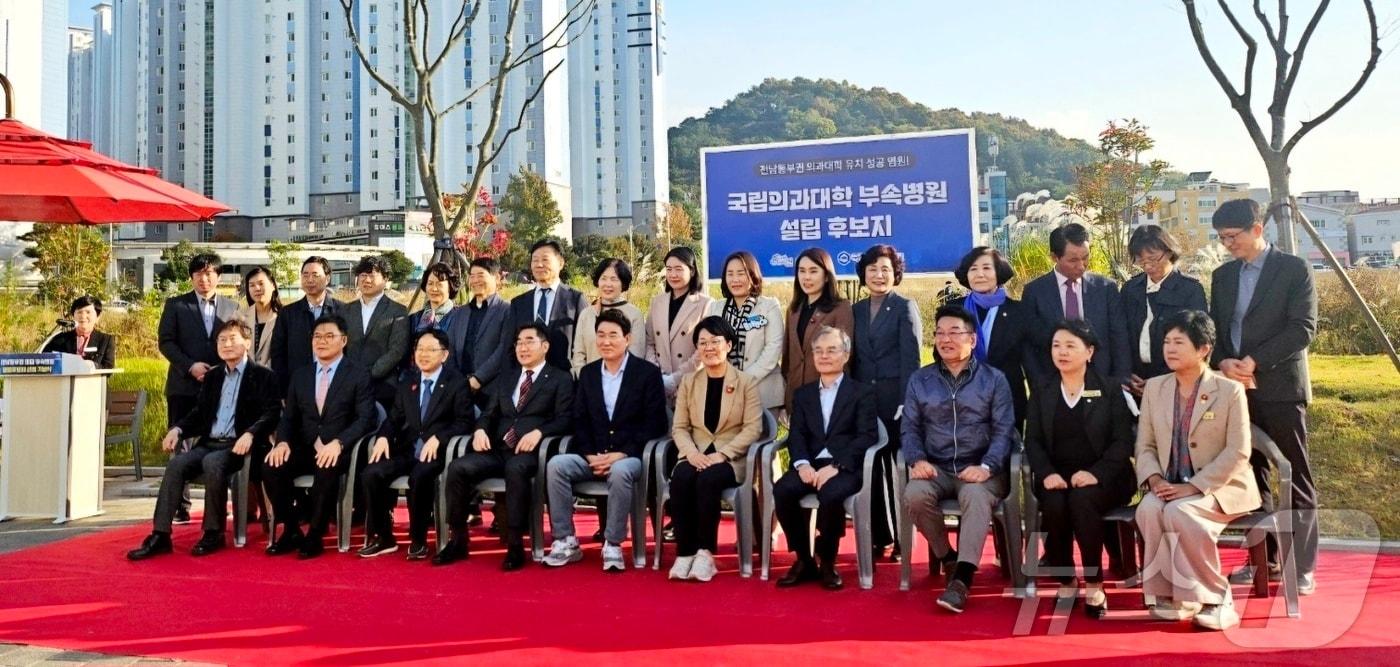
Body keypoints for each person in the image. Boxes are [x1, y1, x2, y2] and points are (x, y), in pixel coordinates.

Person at [1209, 199, 1318, 595]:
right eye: (1221, 238)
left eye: (1232, 237)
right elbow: (1217, 332)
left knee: (1295, 477)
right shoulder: (1222, 277)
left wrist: (1255, 361)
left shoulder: (1293, 269)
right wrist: (1223, 363)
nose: (1227, 245)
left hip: (1280, 390)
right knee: (1248, 476)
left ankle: (1300, 566)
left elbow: (1302, 328)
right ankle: (1263, 561)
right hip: (1235, 391)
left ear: (1257, 229)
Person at [1135, 309, 1260, 631]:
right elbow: (1144, 445)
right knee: (1149, 509)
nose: (1170, 349)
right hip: (1168, 483)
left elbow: (1239, 451)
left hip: (1222, 486)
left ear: (1204, 348)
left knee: (1182, 512)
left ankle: (1218, 598)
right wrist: (1155, 479)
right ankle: (1175, 595)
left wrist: (1195, 486)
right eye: (1166, 341)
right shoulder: (1154, 388)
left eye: (1179, 341)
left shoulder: (1229, 390)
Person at [127, 318, 281, 560]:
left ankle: (213, 532)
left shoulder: (263, 376)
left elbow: (272, 413)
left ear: (248, 343)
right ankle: (160, 534)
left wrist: (251, 433)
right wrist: (177, 430)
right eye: (222, 340)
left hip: (241, 447)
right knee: (177, 464)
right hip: (210, 443)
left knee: (213, 463)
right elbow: (199, 414)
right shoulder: (213, 376)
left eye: (233, 339)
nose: (226, 344)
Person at [902, 305, 1016, 613]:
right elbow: (909, 428)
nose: (945, 339)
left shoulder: (994, 380)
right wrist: (916, 459)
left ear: (973, 340)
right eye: (940, 332)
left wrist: (987, 466)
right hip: (937, 468)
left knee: (976, 496)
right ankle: (948, 558)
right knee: (913, 493)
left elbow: (1004, 431)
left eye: (955, 332)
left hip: (981, 468)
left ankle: (962, 579)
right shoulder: (919, 380)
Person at [437, 322, 574, 570]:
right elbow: (489, 414)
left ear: (545, 346)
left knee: (516, 469)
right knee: (458, 468)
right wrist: (479, 430)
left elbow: (565, 419)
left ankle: (514, 544)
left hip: (530, 452)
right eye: (519, 342)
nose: (522, 347)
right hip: (498, 449)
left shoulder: (559, 379)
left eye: (529, 341)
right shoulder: (506, 377)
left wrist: (540, 432)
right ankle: (457, 539)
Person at [1023, 320, 1136, 618]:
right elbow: (1032, 440)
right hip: (1056, 476)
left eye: (1070, 346)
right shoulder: (1043, 389)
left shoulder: (1110, 389)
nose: (1062, 352)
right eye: (1056, 345)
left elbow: (1123, 442)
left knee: (1082, 500)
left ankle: (1094, 582)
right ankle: (1066, 580)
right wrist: (1047, 473)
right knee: (1055, 504)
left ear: (1089, 352)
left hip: (1107, 477)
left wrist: (1096, 473)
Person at [543, 309, 668, 571]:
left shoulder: (646, 373)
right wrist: (590, 455)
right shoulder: (588, 374)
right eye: (601, 335)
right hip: (593, 454)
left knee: (621, 471)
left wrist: (621, 454)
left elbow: (655, 423)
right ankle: (565, 539)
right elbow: (580, 420)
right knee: (556, 465)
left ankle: (612, 543)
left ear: (628, 339)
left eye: (613, 335)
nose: (606, 341)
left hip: (630, 457)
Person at [261, 314, 377, 559]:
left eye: (329, 336)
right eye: (317, 336)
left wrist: (339, 443)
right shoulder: (301, 375)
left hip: (340, 448)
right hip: (305, 446)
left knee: (327, 467)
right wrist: (281, 442)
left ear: (343, 340)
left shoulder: (358, 374)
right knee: (271, 466)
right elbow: (289, 417)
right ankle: (292, 529)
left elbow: (366, 419)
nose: (322, 341)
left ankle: (315, 534)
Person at [773, 326, 877, 591]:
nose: (824, 356)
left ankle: (827, 560)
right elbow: (796, 435)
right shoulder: (804, 394)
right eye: (818, 351)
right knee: (783, 489)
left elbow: (866, 436)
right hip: (811, 464)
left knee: (831, 494)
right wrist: (802, 464)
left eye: (832, 350)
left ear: (846, 355)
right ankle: (804, 559)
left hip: (845, 466)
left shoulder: (860, 392)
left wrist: (836, 465)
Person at [359, 328, 473, 560]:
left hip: (439, 452)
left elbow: (464, 422)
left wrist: (439, 438)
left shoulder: (456, 383)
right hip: (409, 448)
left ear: (445, 355)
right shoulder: (408, 381)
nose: (423, 354)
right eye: (419, 349)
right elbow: (394, 418)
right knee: (372, 473)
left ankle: (418, 540)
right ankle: (384, 537)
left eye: (431, 349)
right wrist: (382, 436)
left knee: (419, 476)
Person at [666, 316, 762, 583]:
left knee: (708, 480)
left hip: (730, 459)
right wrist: (692, 453)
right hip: (695, 453)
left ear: (729, 345)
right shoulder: (689, 382)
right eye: (703, 343)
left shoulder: (746, 383)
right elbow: (680, 428)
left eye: (715, 341)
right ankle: (685, 552)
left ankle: (706, 553)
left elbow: (753, 429)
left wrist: (722, 454)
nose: (709, 348)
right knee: (682, 478)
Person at [851, 244, 922, 559]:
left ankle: (905, 538)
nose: (878, 276)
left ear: (896, 274)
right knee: (872, 469)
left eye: (885, 270)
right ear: (863, 274)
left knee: (898, 469)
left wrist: (908, 400)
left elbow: (913, 359)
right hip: (865, 400)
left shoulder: (905, 307)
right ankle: (882, 535)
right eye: (872, 270)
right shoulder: (855, 310)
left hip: (896, 399)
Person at [158, 253, 240, 523]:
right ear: (191, 277)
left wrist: (220, 370)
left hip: (219, 385)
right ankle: (181, 506)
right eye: (198, 274)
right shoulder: (176, 305)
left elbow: (236, 342)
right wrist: (190, 366)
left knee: (215, 442)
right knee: (179, 443)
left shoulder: (231, 307)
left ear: (218, 275)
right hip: (183, 385)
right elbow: (166, 342)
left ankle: (217, 502)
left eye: (209, 274)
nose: (204, 279)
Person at [1021, 223, 1131, 388]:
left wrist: (1120, 381)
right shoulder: (1035, 292)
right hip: (1053, 385)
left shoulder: (1106, 288)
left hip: (1102, 383)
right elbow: (1028, 345)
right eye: (1073, 260)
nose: (1081, 265)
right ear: (1054, 257)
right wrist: (1039, 385)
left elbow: (1119, 339)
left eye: (1086, 257)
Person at [952, 246, 1032, 427]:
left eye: (987, 268)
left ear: (999, 272)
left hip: (1007, 401)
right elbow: (940, 358)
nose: (980, 274)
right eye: (973, 269)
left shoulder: (1018, 312)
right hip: (963, 402)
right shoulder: (953, 310)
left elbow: (1029, 361)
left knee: (1007, 454)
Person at [1122, 225, 1208, 392]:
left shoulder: (1190, 290)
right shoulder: (1130, 289)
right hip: (1135, 378)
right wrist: (1126, 372)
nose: (1147, 266)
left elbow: (1198, 339)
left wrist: (1165, 379)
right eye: (1140, 261)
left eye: (1153, 259)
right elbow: (1121, 334)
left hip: (1175, 380)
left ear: (1169, 252)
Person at [705, 250, 785, 411]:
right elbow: (708, 345)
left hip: (763, 393)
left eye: (741, 273)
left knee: (760, 436)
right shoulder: (716, 308)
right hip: (724, 391)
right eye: (730, 274)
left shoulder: (769, 306)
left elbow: (774, 348)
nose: (735, 279)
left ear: (753, 275)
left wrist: (742, 380)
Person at [782, 247, 855, 412]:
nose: (806, 277)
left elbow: (843, 356)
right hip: (796, 397)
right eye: (802, 271)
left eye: (813, 271)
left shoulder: (840, 308)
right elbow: (788, 358)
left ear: (827, 276)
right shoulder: (793, 310)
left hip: (828, 398)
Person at [646, 246, 712, 403]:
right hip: (659, 385)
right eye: (668, 269)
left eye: (678, 269)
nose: (673, 274)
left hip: (691, 383)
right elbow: (649, 342)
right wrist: (658, 375)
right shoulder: (657, 302)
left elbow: (704, 349)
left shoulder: (705, 304)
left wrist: (675, 379)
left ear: (692, 271)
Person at [343, 255, 410, 406]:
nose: (366, 280)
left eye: (372, 275)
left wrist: (370, 374)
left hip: (383, 385)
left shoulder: (397, 310)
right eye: (363, 275)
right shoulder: (345, 310)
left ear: (386, 279)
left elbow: (397, 350)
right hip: (348, 384)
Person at [510, 239, 584, 373]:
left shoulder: (576, 299)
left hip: (564, 382)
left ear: (561, 263)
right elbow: (509, 346)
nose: (539, 265)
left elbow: (583, 346)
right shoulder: (518, 303)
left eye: (545, 259)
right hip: (527, 381)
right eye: (535, 260)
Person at [271, 256, 340, 393]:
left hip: (335, 388)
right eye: (305, 275)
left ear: (327, 278)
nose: (309, 280)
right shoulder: (287, 313)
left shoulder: (342, 311)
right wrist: (284, 390)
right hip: (298, 388)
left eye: (315, 275)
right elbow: (278, 354)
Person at [450, 257, 513, 401]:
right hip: (460, 388)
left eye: (480, 275)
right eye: (472, 276)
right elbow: (450, 347)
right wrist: (457, 381)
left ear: (497, 278)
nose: (475, 280)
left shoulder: (507, 310)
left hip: (491, 390)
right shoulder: (460, 312)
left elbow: (504, 348)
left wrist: (479, 378)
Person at [571, 258, 647, 377]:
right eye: (604, 278)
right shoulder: (586, 314)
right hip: (590, 384)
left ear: (623, 283)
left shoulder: (634, 314)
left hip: (624, 385)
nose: (608, 284)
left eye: (614, 279)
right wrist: (586, 380)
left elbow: (636, 354)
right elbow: (578, 354)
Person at [44, 295, 115, 369]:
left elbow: (108, 368)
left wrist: (93, 366)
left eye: (88, 312)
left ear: (97, 317)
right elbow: (45, 360)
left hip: (93, 380)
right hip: (64, 380)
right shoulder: (60, 339)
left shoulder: (106, 340)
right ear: (73, 316)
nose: (83, 316)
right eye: (79, 312)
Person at [238, 266, 281, 367]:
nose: (257, 288)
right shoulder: (239, 317)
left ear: (273, 285)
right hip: (246, 377)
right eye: (252, 285)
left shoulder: (285, 316)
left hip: (275, 377)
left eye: (261, 283)